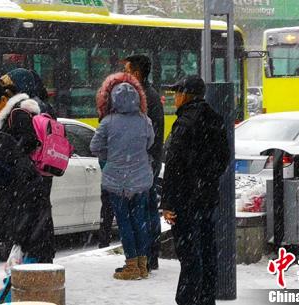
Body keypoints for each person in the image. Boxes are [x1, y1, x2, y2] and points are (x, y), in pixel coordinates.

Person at [161, 75, 230, 305]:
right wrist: (206, 180)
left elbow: (173, 165)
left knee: (189, 256)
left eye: (177, 93)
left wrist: (168, 203)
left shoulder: (184, 123)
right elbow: (223, 158)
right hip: (206, 197)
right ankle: (206, 298)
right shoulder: (215, 118)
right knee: (208, 251)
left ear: (186, 95)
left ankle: (188, 299)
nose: (175, 98)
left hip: (185, 200)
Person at [0, 82, 55, 264]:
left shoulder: (17, 114)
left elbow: (29, 141)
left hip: (25, 183)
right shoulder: (17, 113)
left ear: (3, 99)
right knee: (28, 233)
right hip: (25, 182)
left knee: (26, 233)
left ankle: (26, 279)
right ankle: (23, 278)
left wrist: (9, 157)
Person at [91, 72, 154, 280]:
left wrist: (111, 155)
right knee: (140, 221)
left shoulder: (108, 122)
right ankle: (143, 264)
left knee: (125, 223)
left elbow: (95, 146)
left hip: (116, 180)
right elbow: (149, 144)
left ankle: (131, 265)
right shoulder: (145, 121)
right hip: (141, 179)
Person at [0, 68, 57, 235]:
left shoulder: (29, 108)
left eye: (11, 86)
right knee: (42, 208)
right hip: (45, 166)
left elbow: (29, 139)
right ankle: (43, 251)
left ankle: (35, 251)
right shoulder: (45, 106)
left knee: (33, 211)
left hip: (34, 167)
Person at [123, 54, 164, 270]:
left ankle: (143, 258)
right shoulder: (149, 95)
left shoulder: (141, 97)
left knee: (139, 213)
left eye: (127, 71)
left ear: (136, 74)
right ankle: (150, 257)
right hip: (148, 161)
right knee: (147, 210)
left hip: (141, 162)